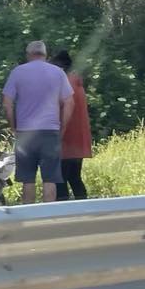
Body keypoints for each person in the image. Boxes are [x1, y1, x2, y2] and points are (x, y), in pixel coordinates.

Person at [2, 40, 73, 203]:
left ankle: (29, 214)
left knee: (28, 180)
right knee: (50, 179)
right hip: (50, 131)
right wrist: (62, 128)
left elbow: (7, 103)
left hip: (25, 133)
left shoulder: (18, 72)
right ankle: (49, 214)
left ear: (28, 55)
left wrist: (13, 127)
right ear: (45, 55)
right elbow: (69, 102)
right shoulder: (58, 73)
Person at [50, 48, 92, 199]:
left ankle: (63, 209)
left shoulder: (61, 84)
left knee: (60, 180)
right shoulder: (76, 82)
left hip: (65, 138)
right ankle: (84, 206)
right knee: (74, 177)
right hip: (80, 139)